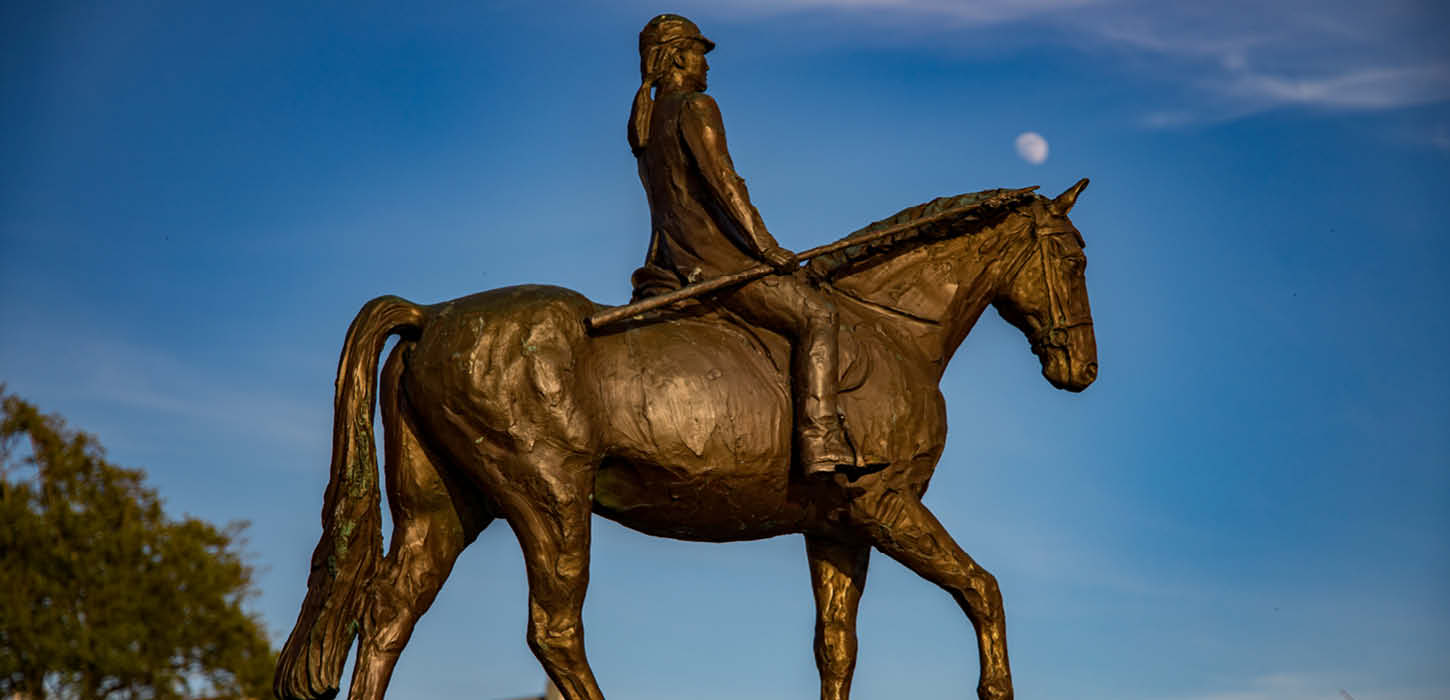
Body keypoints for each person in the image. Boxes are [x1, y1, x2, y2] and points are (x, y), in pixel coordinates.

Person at [626, 14, 855, 476]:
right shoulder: (696, 107)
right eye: (697, 54)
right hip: (714, 263)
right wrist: (768, 249)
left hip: (670, 263)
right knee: (819, 315)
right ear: (676, 56)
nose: (706, 66)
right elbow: (724, 185)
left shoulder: (645, 124)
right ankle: (820, 438)